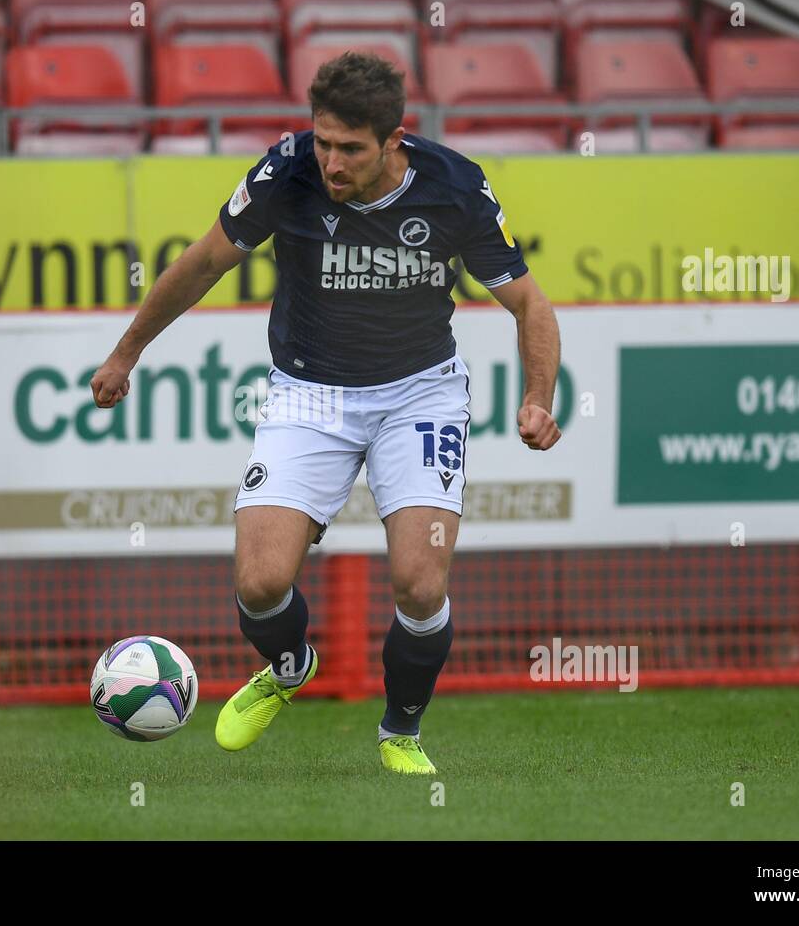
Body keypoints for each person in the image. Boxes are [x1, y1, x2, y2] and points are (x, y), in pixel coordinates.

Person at [91, 52, 562, 774]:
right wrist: (125, 354)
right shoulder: (286, 175)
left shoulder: (455, 188)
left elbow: (529, 301)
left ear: (393, 140)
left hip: (419, 392)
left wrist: (538, 399)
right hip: (309, 393)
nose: (332, 162)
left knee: (420, 581)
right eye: (323, 142)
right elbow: (202, 264)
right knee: (259, 581)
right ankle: (288, 668)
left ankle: (400, 732)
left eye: (350, 148)